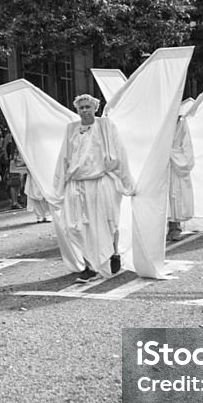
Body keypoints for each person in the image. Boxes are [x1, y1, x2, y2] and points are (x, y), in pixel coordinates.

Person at [52, 93, 134, 281]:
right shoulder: (71, 129)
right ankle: (89, 265)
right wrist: (58, 187)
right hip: (77, 184)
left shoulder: (106, 125)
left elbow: (119, 152)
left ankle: (112, 254)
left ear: (95, 108)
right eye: (81, 108)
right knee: (77, 226)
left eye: (88, 107)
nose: (84, 110)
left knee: (107, 221)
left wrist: (127, 182)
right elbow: (63, 157)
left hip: (102, 182)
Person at [167, 117, 196, 243]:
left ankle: (174, 228)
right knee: (163, 194)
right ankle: (160, 229)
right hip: (160, 160)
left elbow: (187, 145)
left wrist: (178, 158)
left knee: (175, 194)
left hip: (173, 160)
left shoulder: (181, 122)